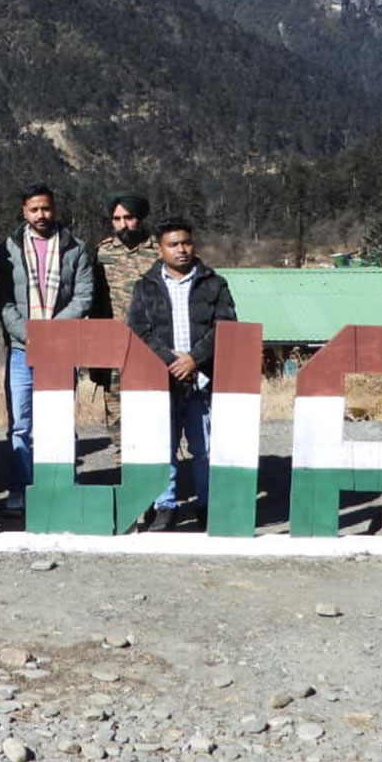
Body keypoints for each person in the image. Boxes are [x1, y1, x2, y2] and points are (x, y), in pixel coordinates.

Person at [124, 218, 237, 530]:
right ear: (160, 250)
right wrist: (170, 362)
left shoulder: (214, 283)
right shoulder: (145, 287)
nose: (181, 249)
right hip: (162, 381)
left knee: (204, 448)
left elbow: (225, 326)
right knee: (164, 445)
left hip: (202, 380)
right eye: (173, 244)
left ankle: (207, 505)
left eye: (186, 242)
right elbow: (139, 328)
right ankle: (166, 506)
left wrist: (194, 359)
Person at [0, 184, 94, 514]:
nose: (41, 215)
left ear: (55, 209)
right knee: (20, 424)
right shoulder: (7, 249)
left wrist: (51, 332)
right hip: (22, 349)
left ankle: (64, 483)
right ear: (24, 211)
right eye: (34, 209)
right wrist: (27, 334)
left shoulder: (76, 248)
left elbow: (83, 297)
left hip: (61, 349)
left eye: (46, 208)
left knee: (61, 420)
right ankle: (21, 489)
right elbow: (3, 300)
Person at [90, 192, 157, 427]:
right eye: (116, 219)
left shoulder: (159, 252)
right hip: (113, 342)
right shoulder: (102, 253)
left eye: (128, 218)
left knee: (151, 408)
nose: (122, 224)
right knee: (116, 409)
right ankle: (121, 460)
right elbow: (94, 301)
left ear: (140, 218)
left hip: (151, 343)